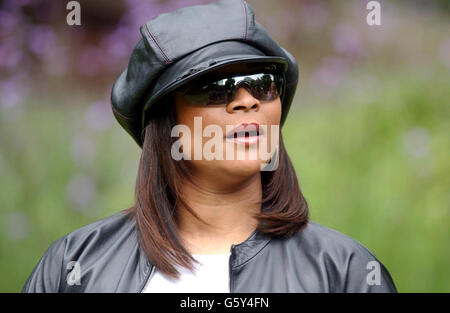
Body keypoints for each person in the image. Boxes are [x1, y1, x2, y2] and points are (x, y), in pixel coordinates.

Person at [22, 0, 397, 293]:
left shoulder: (345, 271)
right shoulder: (75, 266)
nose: (248, 101)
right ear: (168, 124)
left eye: (263, 83)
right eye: (216, 88)